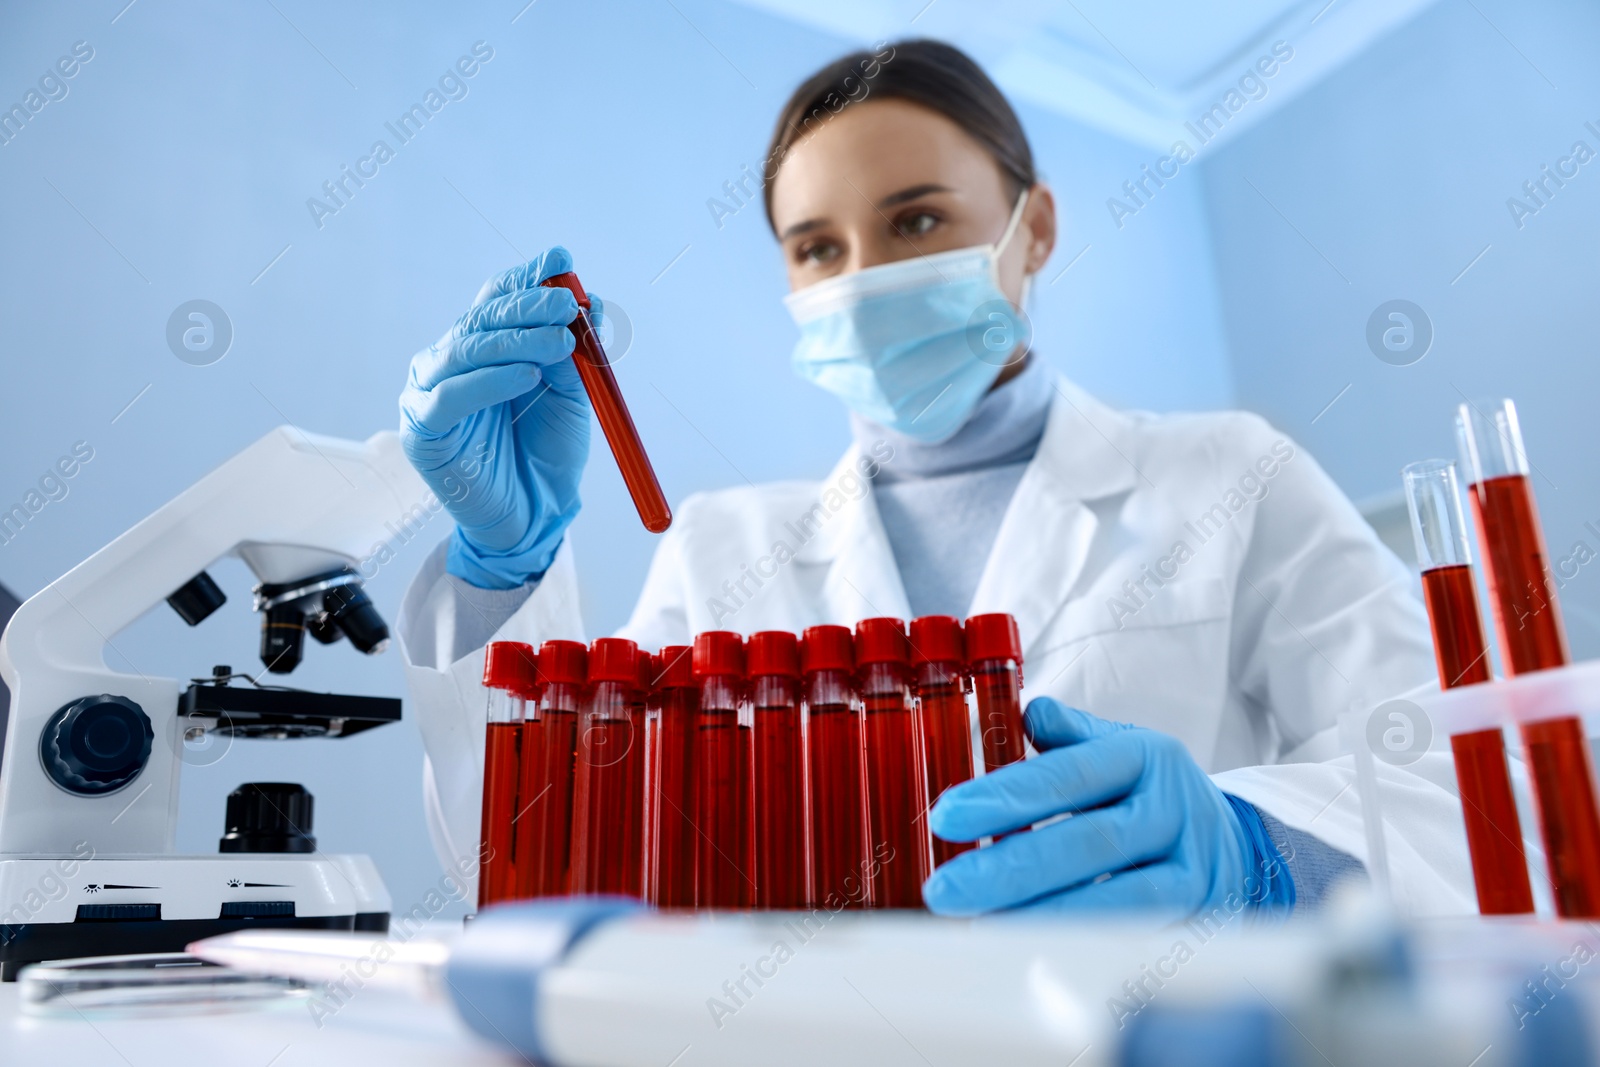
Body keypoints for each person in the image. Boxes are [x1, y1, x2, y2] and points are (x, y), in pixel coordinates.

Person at [396, 40, 1473, 918]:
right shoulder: (718, 545)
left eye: (917, 220)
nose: (865, 278)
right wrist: (505, 570)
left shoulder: (1230, 474)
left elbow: (1471, 785)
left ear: (1033, 229)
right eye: (817, 247)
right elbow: (537, 862)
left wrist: (1254, 855)